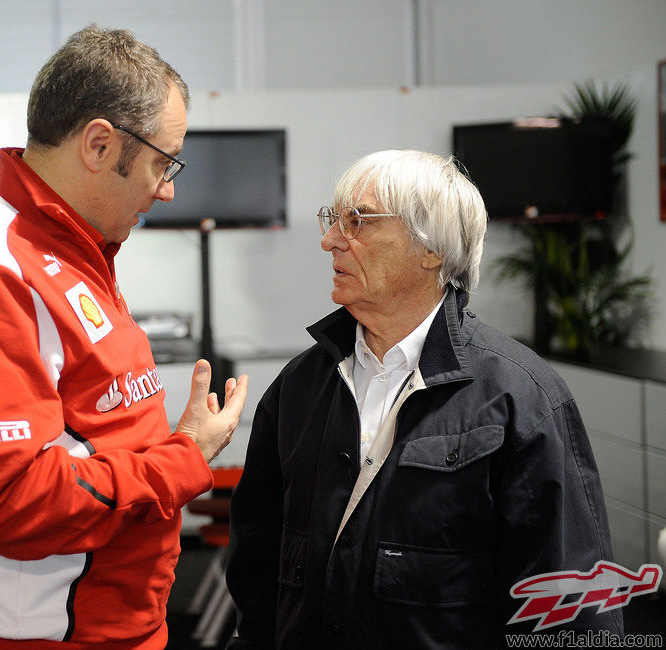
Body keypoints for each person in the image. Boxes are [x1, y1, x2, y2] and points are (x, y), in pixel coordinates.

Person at [0, 25, 248, 649]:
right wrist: (183, 458)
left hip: (120, 628)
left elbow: (92, 437)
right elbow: (10, 500)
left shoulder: (77, 251)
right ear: (99, 143)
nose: (167, 190)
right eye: (162, 163)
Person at [225, 150, 623, 648]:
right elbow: (257, 568)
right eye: (333, 221)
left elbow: (570, 605)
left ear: (431, 249)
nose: (329, 241)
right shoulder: (299, 386)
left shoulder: (521, 396)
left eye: (358, 221)